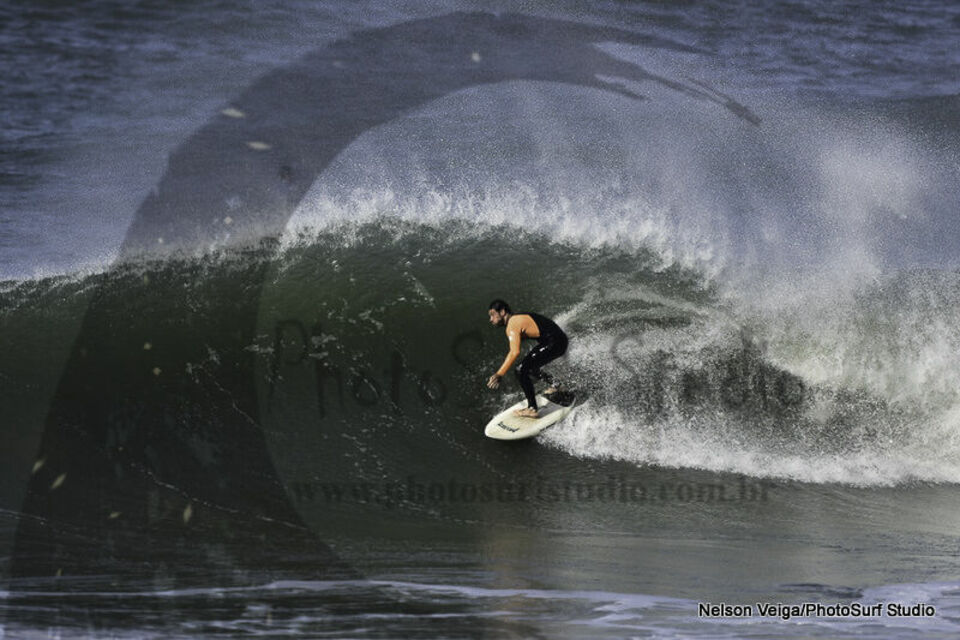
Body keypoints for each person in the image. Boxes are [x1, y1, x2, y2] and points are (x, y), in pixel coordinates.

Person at [486, 299, 568, 418]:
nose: (491, 319)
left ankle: (532, 409)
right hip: (558, 341)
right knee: (529, 367)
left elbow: (515, 352)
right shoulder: (518, 318)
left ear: (502, 312)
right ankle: (558, 386)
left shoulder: (512, 324)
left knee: (520, 370)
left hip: (554, 343)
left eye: (493, 315)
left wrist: (499, 374)